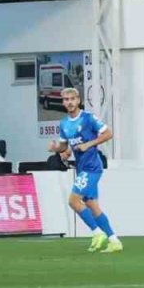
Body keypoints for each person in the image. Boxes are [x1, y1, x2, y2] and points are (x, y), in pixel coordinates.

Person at [48, 87, 122, 253]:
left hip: (92, 167)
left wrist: (89, 144)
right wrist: (57, 149)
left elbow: (108, 133)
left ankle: (97, 233)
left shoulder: (88, 118)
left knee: (73, 201)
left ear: (78, 100)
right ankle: (114, 240)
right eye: (66, 99)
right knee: (92, 205)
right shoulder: (64, 123)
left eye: (72, 99)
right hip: (82, 167)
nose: (69, 102)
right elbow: (64, 146)